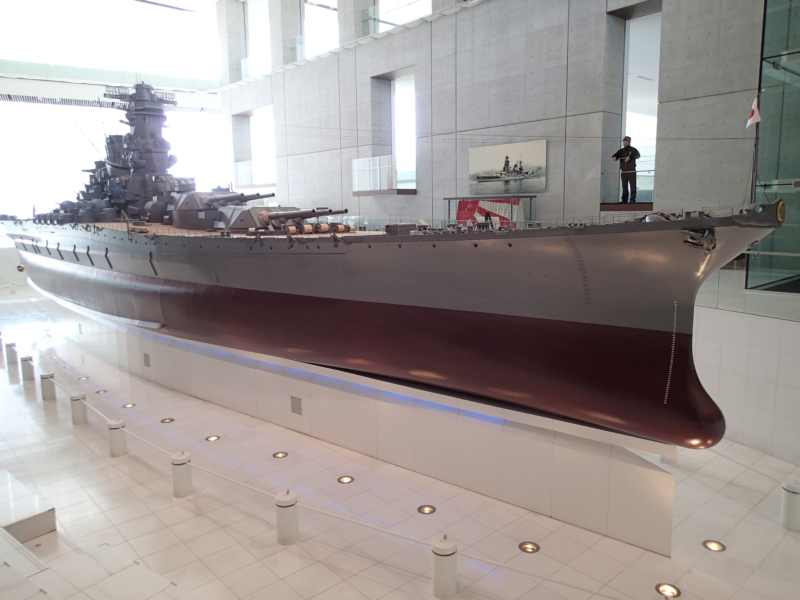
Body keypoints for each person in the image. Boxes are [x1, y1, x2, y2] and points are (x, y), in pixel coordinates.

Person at [611, 136, 641, 203]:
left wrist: (630, 157)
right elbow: (614, 156)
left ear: (629, 142)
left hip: (631, 172)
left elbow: (638, 155)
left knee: (633, 187)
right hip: (624, 172)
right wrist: (614, 157)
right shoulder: (621, 151)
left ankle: (632, 200)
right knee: (624, 187)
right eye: (624, 141)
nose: (624, 142)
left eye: (626, 141)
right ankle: (624, 201)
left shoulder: (633, 150)